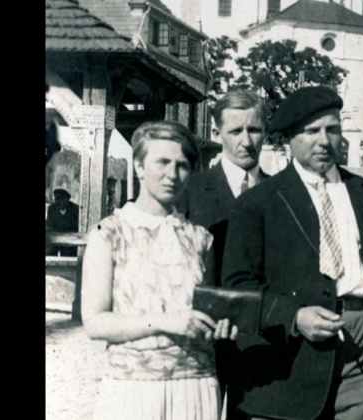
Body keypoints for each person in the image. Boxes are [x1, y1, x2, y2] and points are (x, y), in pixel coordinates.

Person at [221, 86, 363, 420]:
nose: (324, 141)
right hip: (293, 355)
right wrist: (293, 317)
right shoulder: (259, 203)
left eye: (333, 129)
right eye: (312, 131)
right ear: (290, 140)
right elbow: (238, 285)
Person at [80, 121, 238, 420]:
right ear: (139, 165)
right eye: (162, 162)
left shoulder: (200, 238)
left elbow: (208, 313)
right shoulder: (108, 233)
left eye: (182, 165)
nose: (172, 174)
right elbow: (95, 322)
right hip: (134, 388)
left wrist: (218, 327)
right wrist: (167, 322)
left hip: (197, 387)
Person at [174, 90, 271, 419]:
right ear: (217, 133)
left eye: (255, 130)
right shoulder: (190, 191)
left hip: (262, 340)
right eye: (235, 131)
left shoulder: (282, 193)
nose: (246, 141)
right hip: (204, 340)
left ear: (266, 132)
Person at [46, 188, 80, 256]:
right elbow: (49, 224)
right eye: (57, 199)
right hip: (55, 237)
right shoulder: (52, 208)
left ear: (67, 200)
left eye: (61, 199)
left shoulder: (75, 209)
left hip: (70, 239)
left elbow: (76, 227)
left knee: (69, 256)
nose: (58, 202)